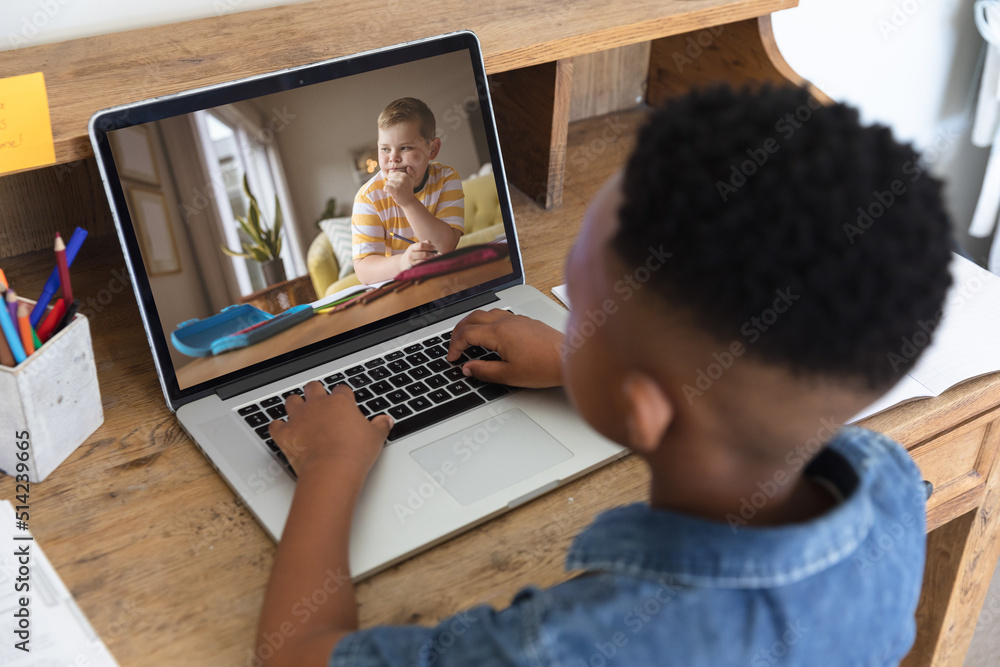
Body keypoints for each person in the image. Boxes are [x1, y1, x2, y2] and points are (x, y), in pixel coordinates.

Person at [256, 84, 953, 666]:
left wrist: (330, 466)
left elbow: (296, 656)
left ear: (642, 405)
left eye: (579, 311)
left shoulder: (568, 645)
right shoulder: (889, 481)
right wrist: (591, 363)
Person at [351, 97, 465, 284]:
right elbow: (364, 270)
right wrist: (403, 262)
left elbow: (445, 247)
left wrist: (408, 201)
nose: (393, 158)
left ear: (433, 148)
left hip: (443, 282)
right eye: (385, 149)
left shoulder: (446, 178)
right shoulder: (368, 197)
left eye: (405, 148)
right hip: (398, 288)